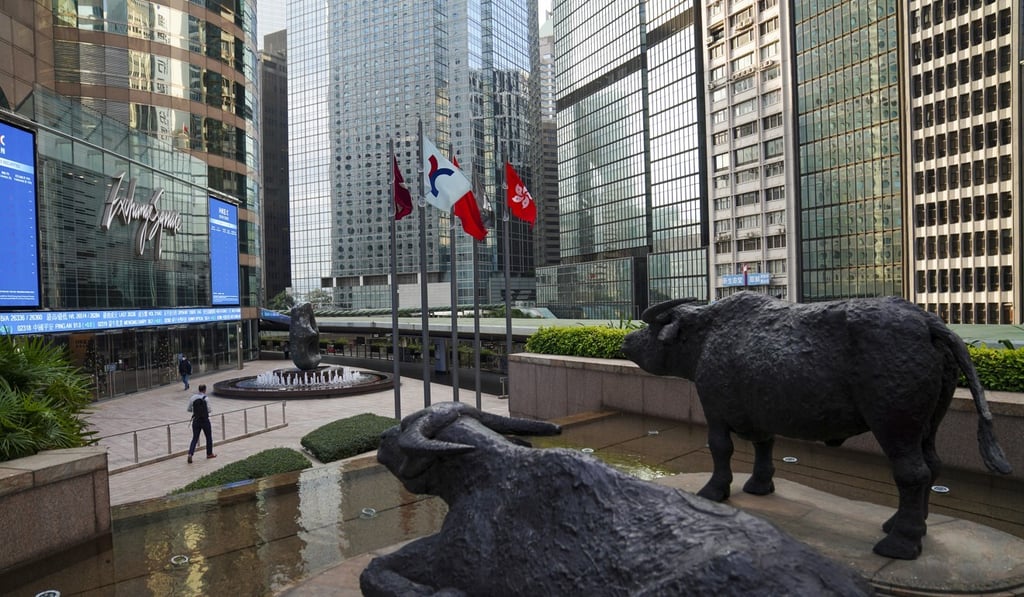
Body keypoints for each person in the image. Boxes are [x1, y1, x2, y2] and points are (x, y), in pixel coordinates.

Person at [186, 384, 216, 463]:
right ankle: (209, 454)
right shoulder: (206, 398)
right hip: (205, 420)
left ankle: (190, 453)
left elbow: (189, 409)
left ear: (199, 389)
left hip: (196, 420)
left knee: (195, 438)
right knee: (208, 437)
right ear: (205, 390)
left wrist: (196, 411)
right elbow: (209, 410)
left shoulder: (193, 397)